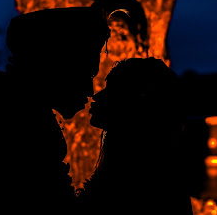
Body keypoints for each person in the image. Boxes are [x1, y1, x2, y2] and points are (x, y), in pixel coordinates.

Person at [0, 7, 110, 215]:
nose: (90, 91)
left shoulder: (8, 105)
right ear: (57, 64)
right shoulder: (18, 120)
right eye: (86, 74)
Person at [77, 57, 193, 214]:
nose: (96, 95)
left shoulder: (134, 184)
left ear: (137, 101)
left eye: (113, 89)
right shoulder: (161, 178)